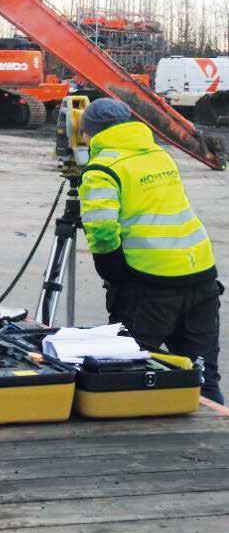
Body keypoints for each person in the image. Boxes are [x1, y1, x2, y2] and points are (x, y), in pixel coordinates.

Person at [78, 98, 223, 403]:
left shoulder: (102, 169)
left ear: (90, 132)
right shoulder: (161, 155)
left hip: (151, 285)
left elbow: (103, 232)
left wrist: (113, 273)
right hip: (201, 275)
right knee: (202, 374)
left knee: (125, 369)